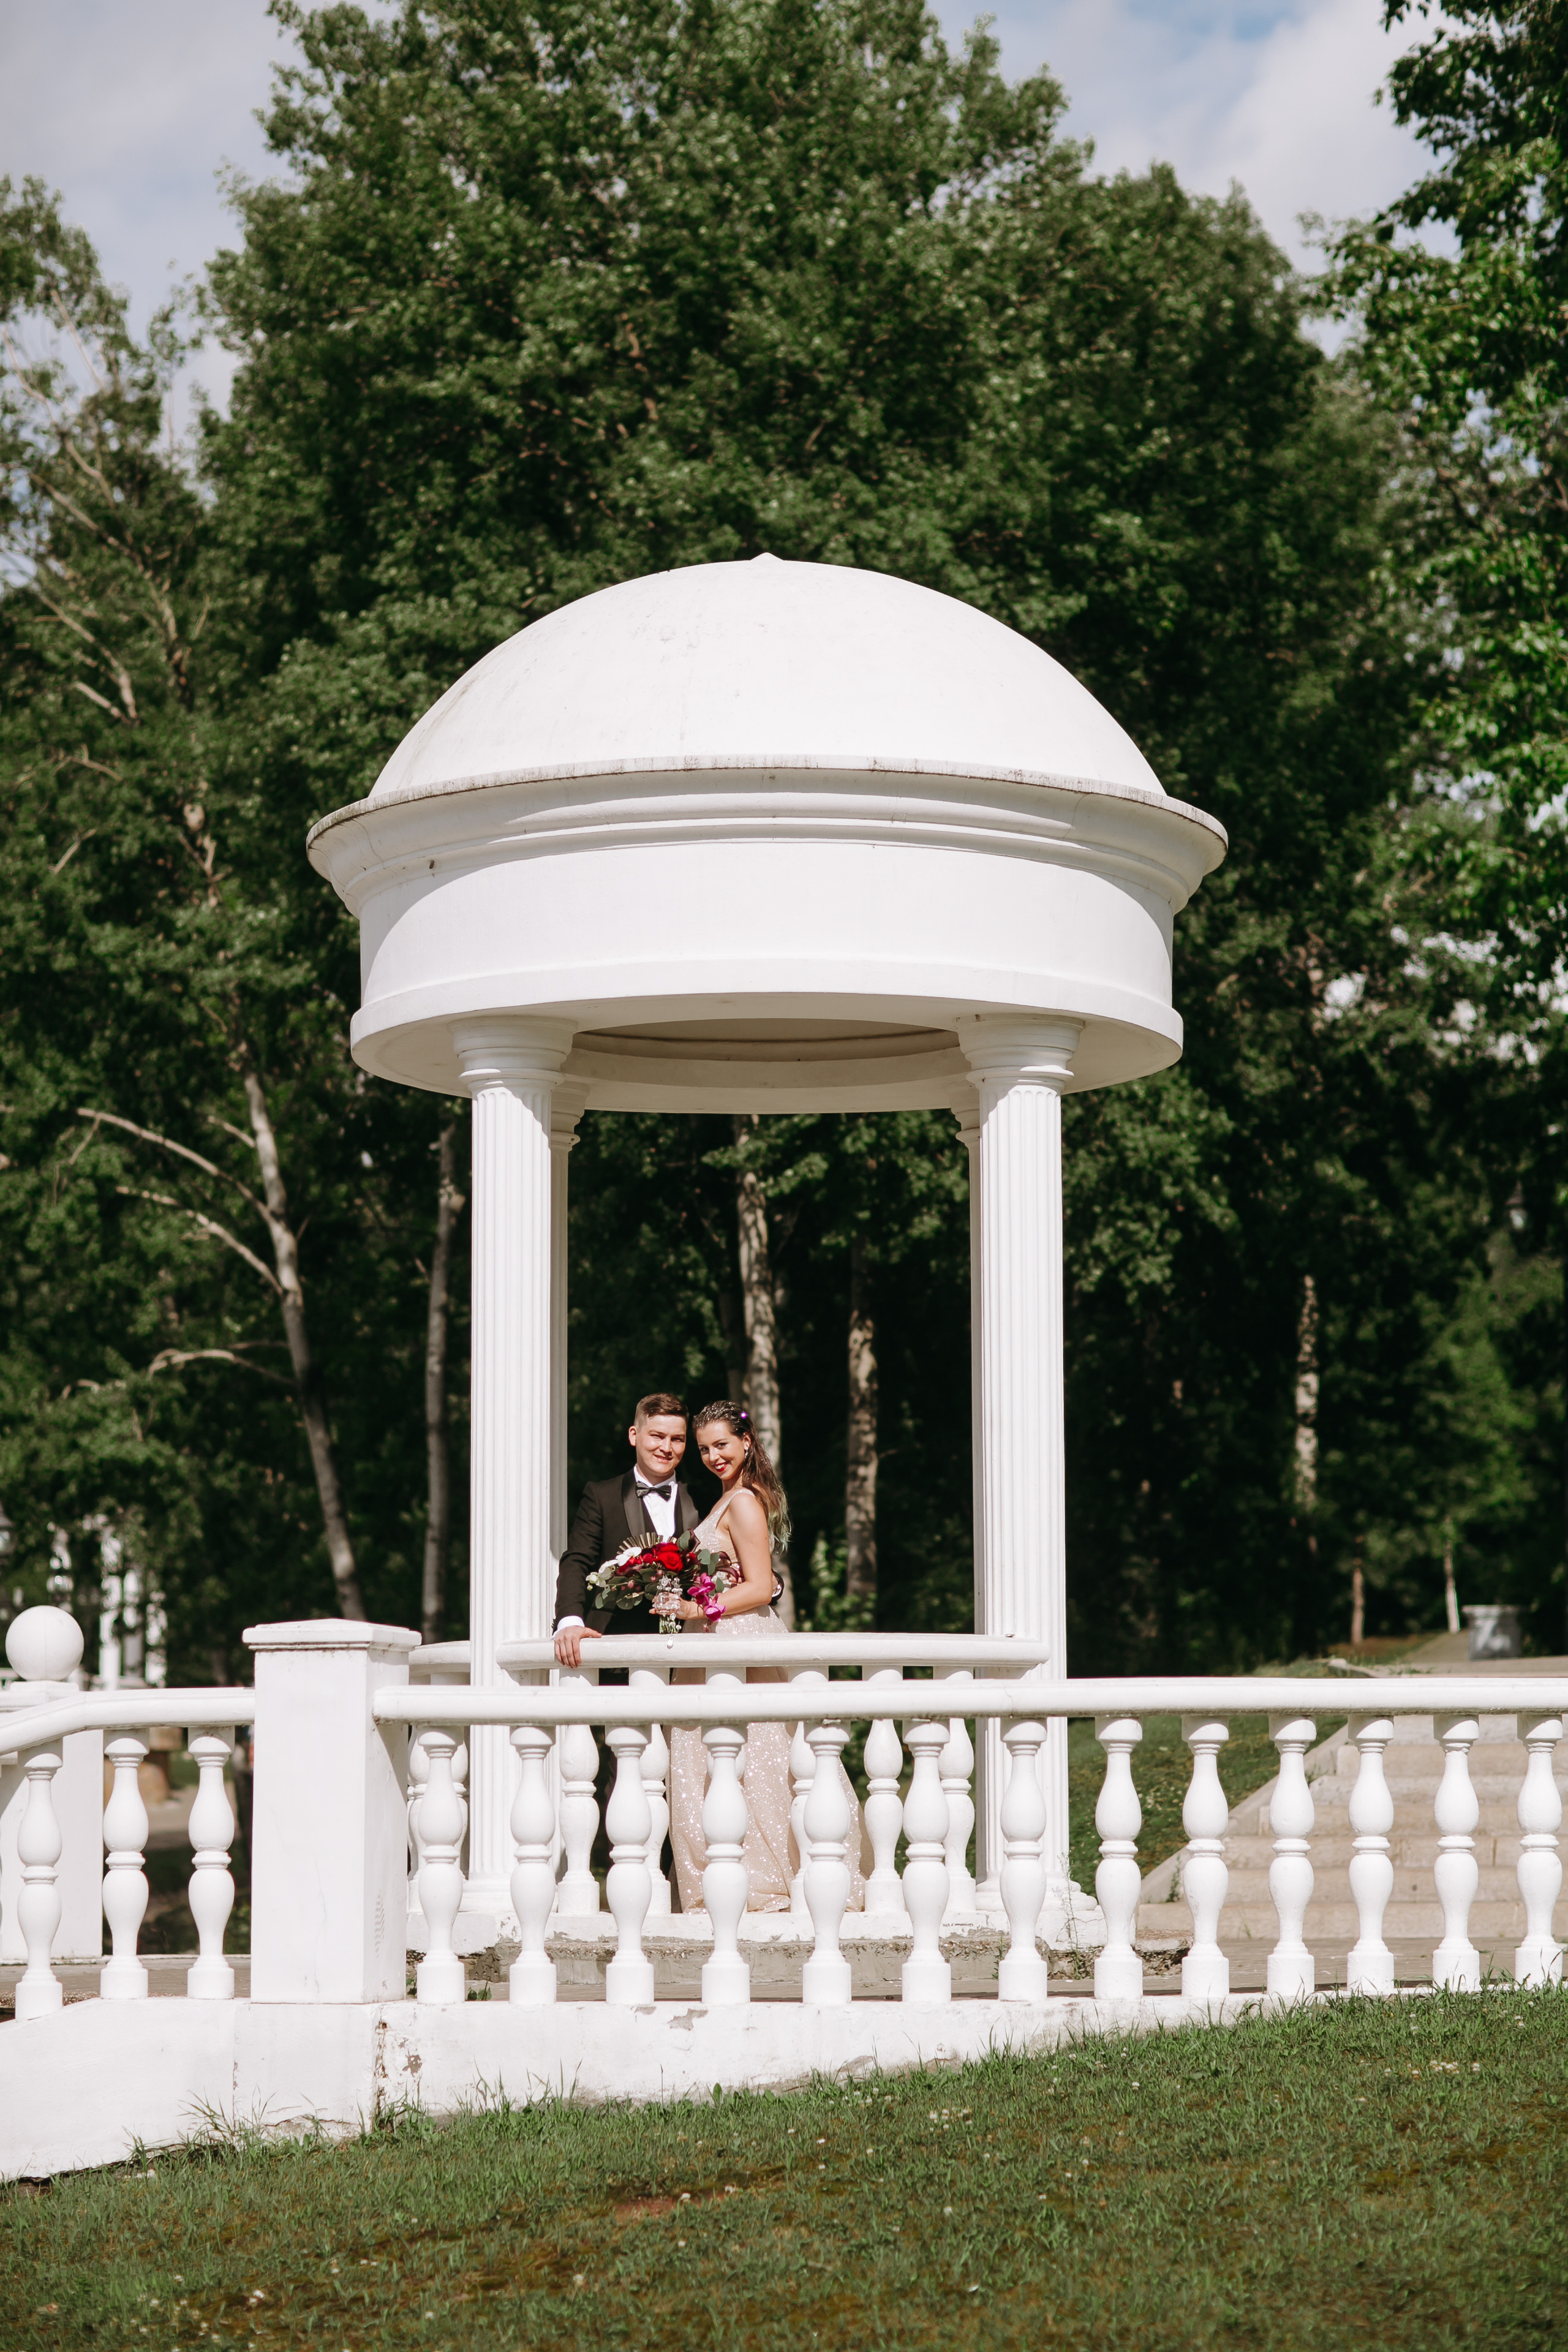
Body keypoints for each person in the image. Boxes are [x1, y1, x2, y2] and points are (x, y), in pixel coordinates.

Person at [668, 1400, 864, 1915]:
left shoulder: (745, 1502)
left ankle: (766, 1879)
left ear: (746, 1442)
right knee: (713, 1761)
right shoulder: (725, 1499)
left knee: (756, 1758)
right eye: (705, 1448)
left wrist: (696, 1605)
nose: (712, 1456)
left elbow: (760, 1587)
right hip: (708, 1640)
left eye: (722, 1445)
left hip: (736, 1639)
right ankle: (723, 1878)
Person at [552, 1393, 699, 1668]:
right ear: (634, 1435)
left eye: (677, 1439)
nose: (666, 1447)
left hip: (687, 1650)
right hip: (612, 1645)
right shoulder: (601, 1495)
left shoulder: (703, 1498)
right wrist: (570, 1621)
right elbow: (577, 1561)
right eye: (657, 1436)